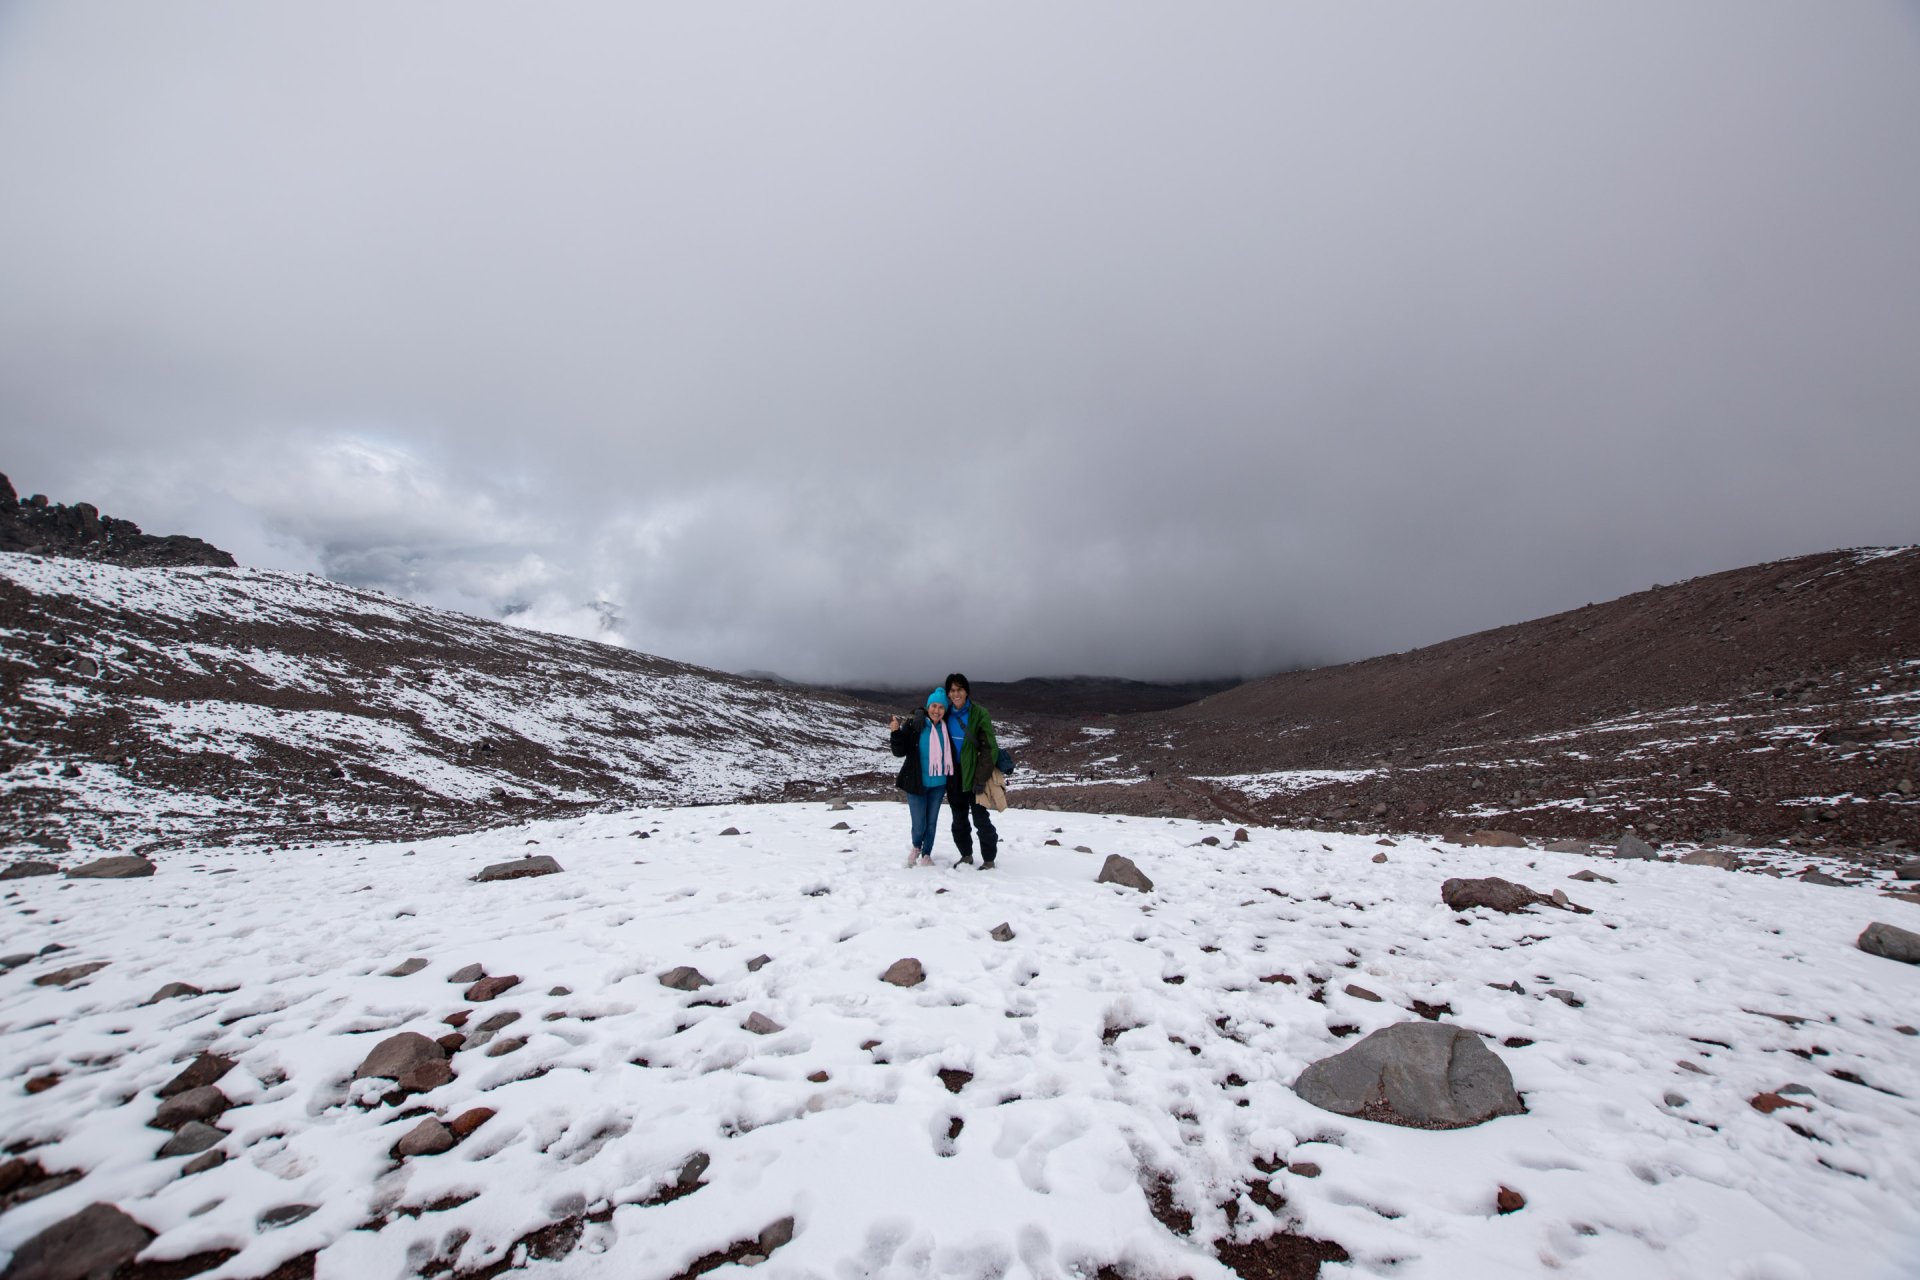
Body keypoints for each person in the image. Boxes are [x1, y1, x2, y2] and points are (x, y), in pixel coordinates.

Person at [941, 673, 1000, 868]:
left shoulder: (978, 713)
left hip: (976, 775)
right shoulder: (946, 713)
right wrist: (916, 712)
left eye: (959, 689)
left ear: (966, 691)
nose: (956, 694)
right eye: (952, 690)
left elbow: (989, 747)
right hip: (954, 776)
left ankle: (989, 859)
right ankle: (966, 855)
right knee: (958, 820)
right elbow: (929, 713)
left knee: (981, 819)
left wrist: (981, 778)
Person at [889, 688, 952, 868]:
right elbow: (899, 752)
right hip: (916, 782)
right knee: (919, 823)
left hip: (939, 783)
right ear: (927, 706)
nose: (937, 710)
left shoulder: (946, 729)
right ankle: (917, 846)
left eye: (941, 707)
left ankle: (927, 854)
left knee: (931, 822)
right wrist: (895, 732)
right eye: (934, 705)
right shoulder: (915, 725)